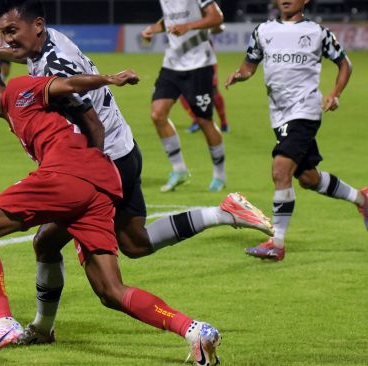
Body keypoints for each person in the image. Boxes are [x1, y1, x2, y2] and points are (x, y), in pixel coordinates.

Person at [0, 0, 273, 349]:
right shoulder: (48, 41)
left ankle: (40, 327)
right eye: (3, 33)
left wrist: (85, 167)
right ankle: (222, 213)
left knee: (48, 244)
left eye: (11, 32)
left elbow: (90, 122)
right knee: (134, 243)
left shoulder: (55, 64)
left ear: (36, 25)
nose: (8, 41)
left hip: (103, 158)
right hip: (123, 150)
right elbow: (25, 53)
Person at [0, 54, 223, 365]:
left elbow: (65, 84)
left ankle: (1, 321)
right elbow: (87, 118)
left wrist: (109, 78)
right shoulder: (17, 113)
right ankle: (195, 331)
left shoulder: (18, 88)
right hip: (98, 184)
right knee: (110, 290)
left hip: (68, 175)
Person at [225, 0, 368, 261]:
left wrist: (335, 93)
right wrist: (240, 75)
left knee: (280, 170)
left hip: (305, 111)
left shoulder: (317, 33)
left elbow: (345, 63)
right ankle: (362, 200)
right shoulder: (263, 31)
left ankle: (276, 244)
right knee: (308, 178)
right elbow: (250, 65)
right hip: (279, 116)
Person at [141, 0, 226, 192]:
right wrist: (153, 29)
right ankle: (179, 170)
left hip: (199, 65)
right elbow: (172, 18)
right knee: (157, 114)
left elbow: (216, 17)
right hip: (172, 63)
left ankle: (220, 175)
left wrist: (187, 27)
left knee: (204, 121)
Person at [182, 25, 229, 134]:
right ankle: (197, 121)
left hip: (205, 54)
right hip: (189, 54)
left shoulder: (204, 11)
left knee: (213, 90)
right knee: (182, 91)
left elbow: (220, 26)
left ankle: (223, 123)